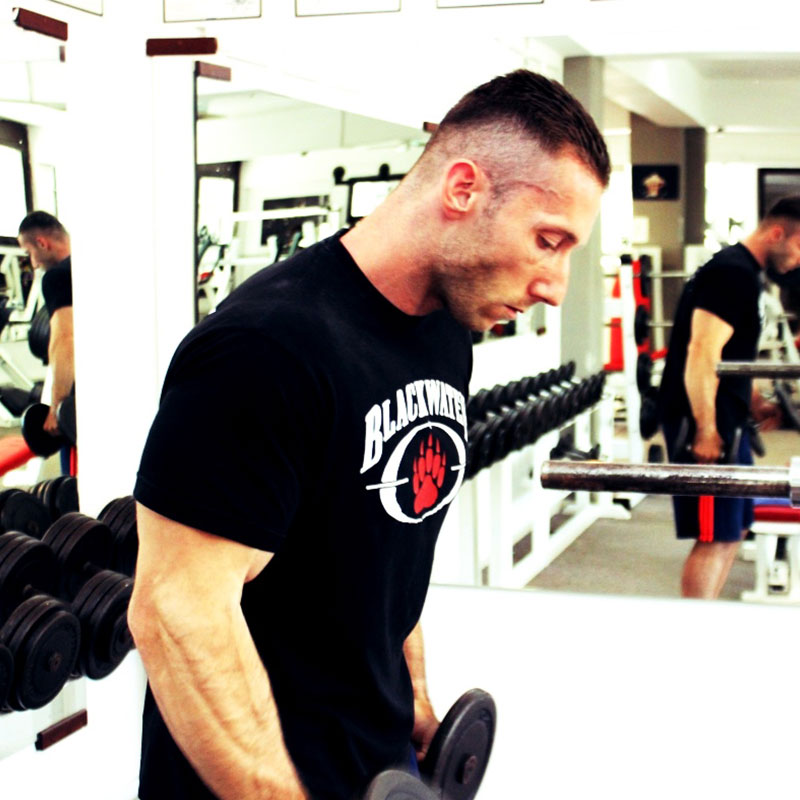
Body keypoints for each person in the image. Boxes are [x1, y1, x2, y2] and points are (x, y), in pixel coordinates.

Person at [127, 68, 610, 800]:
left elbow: (390, 538)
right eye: (548, 241)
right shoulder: (267, 348)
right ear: (463, 189)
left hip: (376, 760)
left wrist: (413, 702)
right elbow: (177, 613)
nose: (556, 285)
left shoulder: (443, 331)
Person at [658, 196, 800, 600]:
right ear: (777, 233)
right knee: (714, 536)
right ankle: (696, 627)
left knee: (733, 530)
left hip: (728, 419)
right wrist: (706, 430)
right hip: (706, 423)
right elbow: (702, 352)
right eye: (799, 246)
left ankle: (710, 620)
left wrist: (753, 399)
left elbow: (728, 355)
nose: (799, 260)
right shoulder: (731, 273)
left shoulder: (745, 273)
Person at [17, 211, 74, 472]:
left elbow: (65, 339)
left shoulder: (57, 277)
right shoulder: (95, 265)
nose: (33, 263)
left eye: (29, 253)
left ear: (42, 243)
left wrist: (57, 406)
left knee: (74, 476)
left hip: (81, 396)